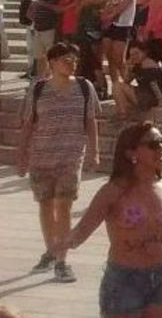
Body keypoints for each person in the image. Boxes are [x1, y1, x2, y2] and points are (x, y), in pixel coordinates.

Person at [57, 122, 162, 316]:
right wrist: (63, 244)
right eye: (154, 144)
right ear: (131, 153)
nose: (161, 148)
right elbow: (83, 229)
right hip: (125, 279)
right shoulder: (113, 191)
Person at [17, 42, 100, 284]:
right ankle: (51, 250)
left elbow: (91, 121)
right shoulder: (39, 88)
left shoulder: (85, 87)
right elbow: (28, 123)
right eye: (66, 59)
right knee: (45, 205)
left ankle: (62, 260)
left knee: (63, 206)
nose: (71, 63)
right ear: (52, 62)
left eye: (74, 59)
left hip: (70, 156)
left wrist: (95, 151)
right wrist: (21, 156)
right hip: (41, 156)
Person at [113, 41, 162, 122]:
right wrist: (128, 68)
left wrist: (161, 100)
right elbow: (127, 81)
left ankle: (123, 115)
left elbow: (154, 84)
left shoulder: (148, 64)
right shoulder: (138, 64)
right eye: (131, 54)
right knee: (120, 91)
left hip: (151, 96)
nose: (134, 56)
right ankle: (125, 114)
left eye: (136, 53)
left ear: (144, 53)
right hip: (143, 93)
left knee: (117, 86)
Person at [100, 0, 138, 88]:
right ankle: (115, 84)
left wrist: (108, 14)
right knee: (110, 57)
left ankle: (127, 82)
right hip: (110, 27)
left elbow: (118, 11)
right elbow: (105, 13)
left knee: (118, 58)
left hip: (123, 26)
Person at [28, 0, 68, 77]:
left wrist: (43, 4)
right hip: (38, 28)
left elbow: (59, 10)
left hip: (51, 28)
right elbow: (30, 11)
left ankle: (52, 79)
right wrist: (34, 16)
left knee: (52, 56)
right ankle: (40, 80)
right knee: (39, 57)